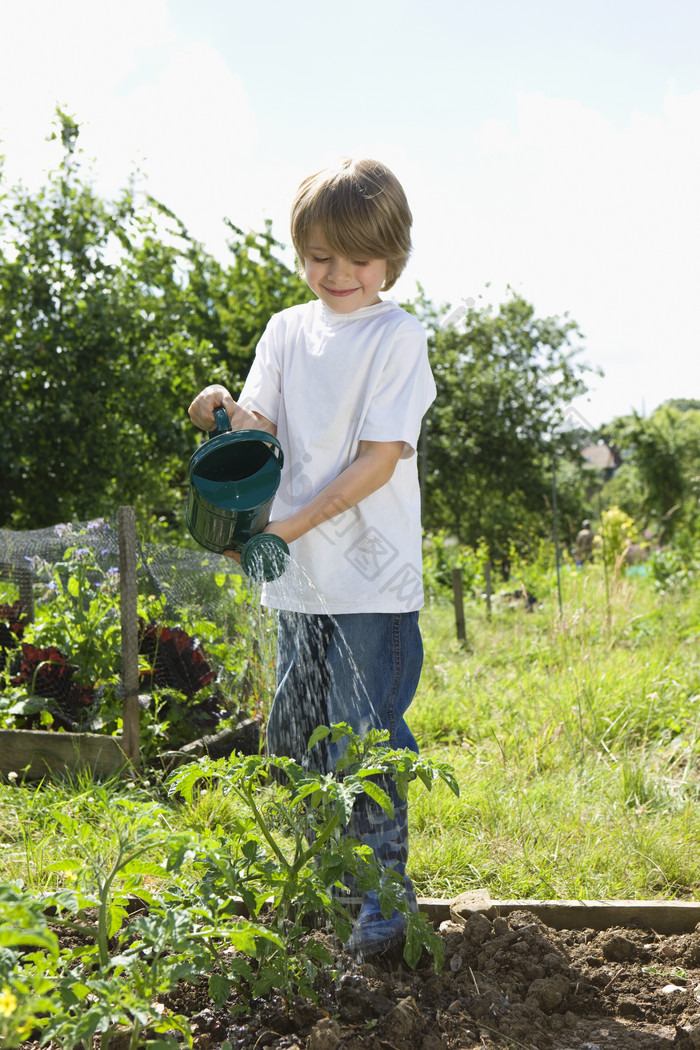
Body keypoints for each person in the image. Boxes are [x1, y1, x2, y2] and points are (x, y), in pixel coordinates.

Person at [188, 157, 435, 957]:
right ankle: (328, 890)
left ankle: (382, 904)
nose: (338, 274)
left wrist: (284, 532)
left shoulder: (398, 338)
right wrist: (220, 408)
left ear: (391, 258)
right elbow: (258, 418)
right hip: (296, 581)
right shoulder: (289, 330)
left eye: (358, 259)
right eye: (321, 256)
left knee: (363, 739)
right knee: (296, 737)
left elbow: (378, 460)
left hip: (369, 583)